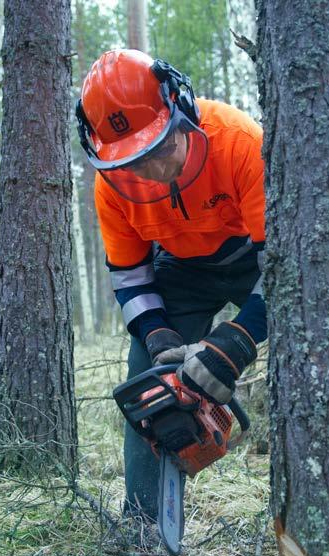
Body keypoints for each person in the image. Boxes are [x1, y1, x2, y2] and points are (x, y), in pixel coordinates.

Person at [76, 49, 266, 523]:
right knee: (147, 378)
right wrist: (157, 334)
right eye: (133, 162)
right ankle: (145, 527)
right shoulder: (111, 188)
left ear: (180, 111)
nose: (152, 172)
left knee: (320, 341)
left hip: (253, 258)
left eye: (159, 149)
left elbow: (287, 273)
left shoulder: (240, 142)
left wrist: (234, 344)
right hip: (180, 267)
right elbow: (130, 274)